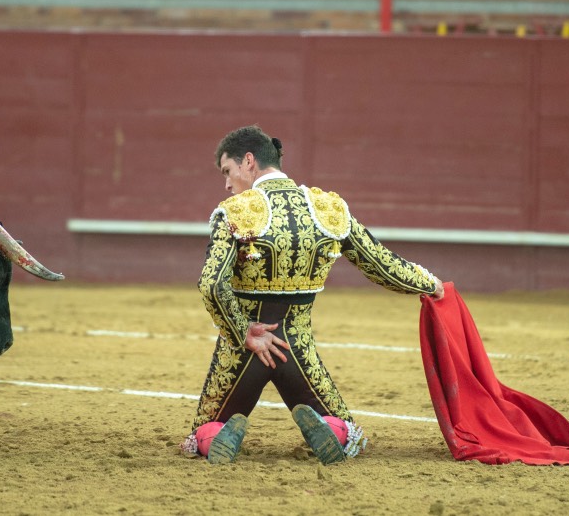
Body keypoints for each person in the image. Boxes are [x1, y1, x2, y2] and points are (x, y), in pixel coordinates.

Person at [181, 125, 444, 465]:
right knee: (347, 432)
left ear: (249, 162)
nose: (227, 184)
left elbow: (212, 285)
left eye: (228, 171)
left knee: (203, 431)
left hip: (244, 351)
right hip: (298, 349)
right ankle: (329, 430)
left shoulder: (235, 212)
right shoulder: (327, 208)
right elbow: (381, 264)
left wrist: (243, 331)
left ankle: (216, 438)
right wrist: (430, 283)